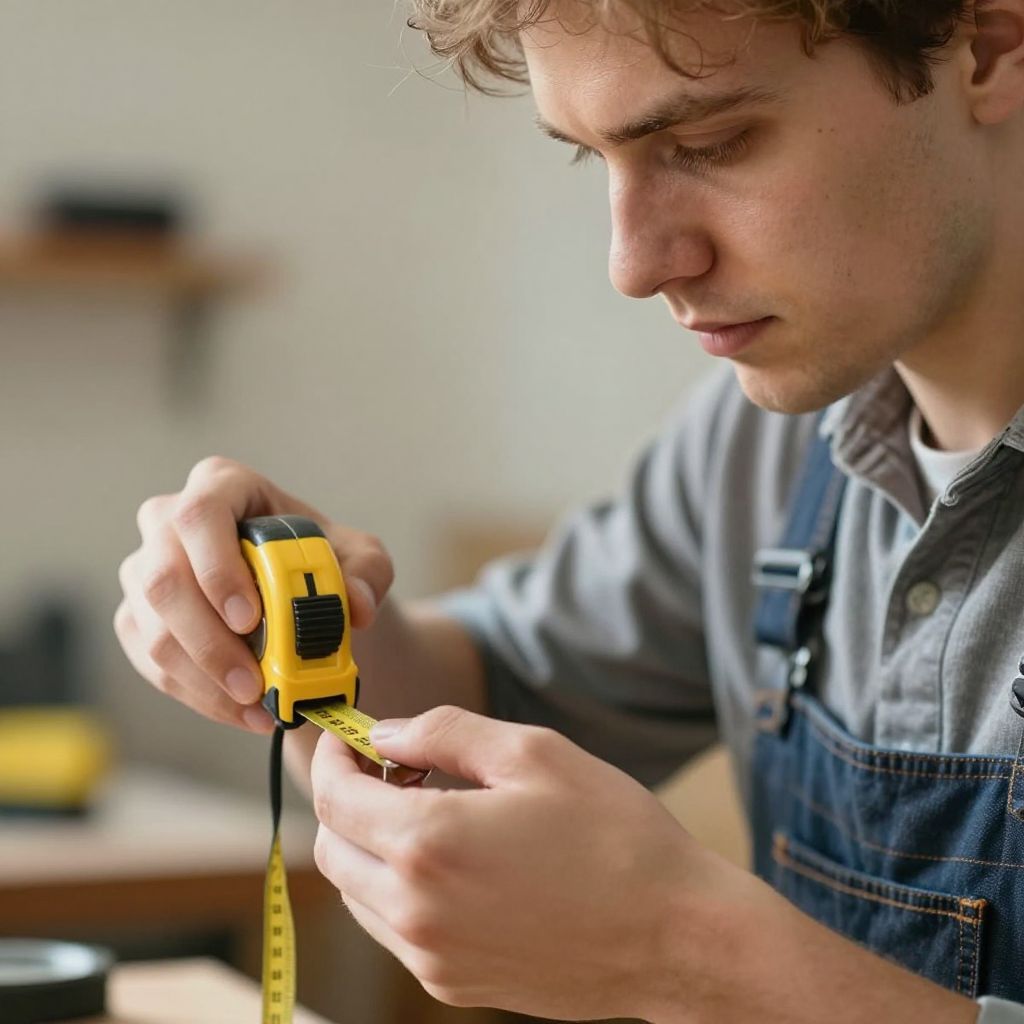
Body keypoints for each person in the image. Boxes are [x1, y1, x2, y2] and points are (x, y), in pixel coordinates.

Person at [113, 0, 1024, 1020]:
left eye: (710, 143)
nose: (633, 265)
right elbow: (483, 699)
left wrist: (685, 952)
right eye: (595, 157)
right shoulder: (759, 446)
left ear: (986, 48)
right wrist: (284, 620)